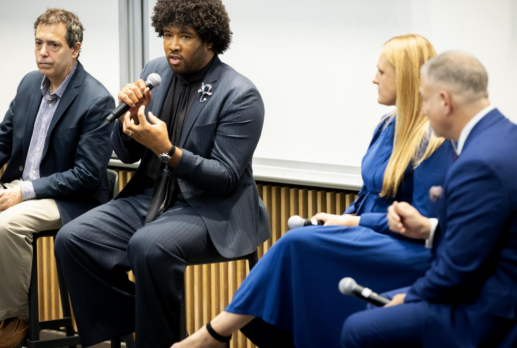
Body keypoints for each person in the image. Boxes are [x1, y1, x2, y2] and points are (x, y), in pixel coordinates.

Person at [173, 34, 455, 348]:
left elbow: (422, 223)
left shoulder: (433, 139)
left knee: (295, 244)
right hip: (369, 235)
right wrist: (340, 218)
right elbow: (367, 194)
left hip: (406, 249)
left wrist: (353, 224)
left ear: (403, 78)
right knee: (302, 249)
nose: (373, 79)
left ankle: (213, 334)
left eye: (382, 72)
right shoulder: (388, 123)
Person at [54, 0, 270, 348]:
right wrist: (129, 124)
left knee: (148, 246)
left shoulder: (239, 94)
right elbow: (126, 154)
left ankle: (157, 338)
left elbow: (226, 178)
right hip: (151, 198)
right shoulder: (156, 71)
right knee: (73, 239)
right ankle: (165, 334)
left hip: (209, 209)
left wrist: (168, 151)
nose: (172, 45)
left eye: (185, 36)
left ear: (211, 41)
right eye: (167, 35)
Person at [341, 51, 517, 348]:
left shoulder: (478, 163)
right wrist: (430, 230)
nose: (421, 110)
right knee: (377, 307)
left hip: (495, 310)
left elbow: (460, 270)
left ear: (444, 101)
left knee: (358, 329)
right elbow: (490, 234)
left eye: (424, 100)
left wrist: (410, 297)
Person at [0, 8, 115, 348]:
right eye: (38, 43)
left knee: (6, 225)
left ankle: (16, 317)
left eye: (53, 45)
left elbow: (86, 175)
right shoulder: (28, 85)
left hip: (69, 200)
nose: (43, 52)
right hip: (20, 189)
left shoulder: (96, 100)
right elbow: (0, 141)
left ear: (76, 49)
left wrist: (26, 192)